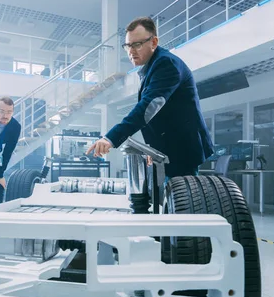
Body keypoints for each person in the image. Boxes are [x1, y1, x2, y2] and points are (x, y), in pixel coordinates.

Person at [86, 17, 214, 179]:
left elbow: (147, 109)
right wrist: (153, 149)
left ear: (154, 42)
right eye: (128, 45)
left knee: (182, 201)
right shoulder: (153, 66)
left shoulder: (166, 64)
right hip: (170, 148)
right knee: (171, 200)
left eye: (137, 45)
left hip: (182, 150)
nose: (131, 51)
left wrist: (111, 138)